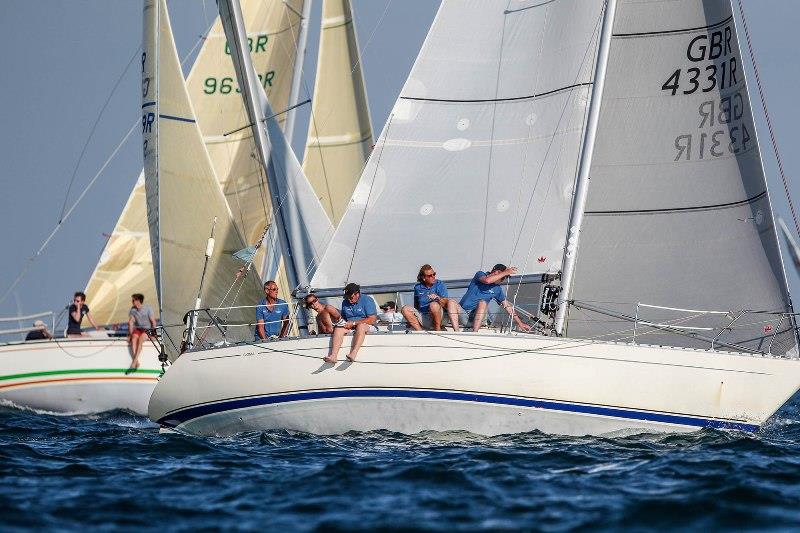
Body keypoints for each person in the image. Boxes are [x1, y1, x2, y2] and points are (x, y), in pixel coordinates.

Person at [457, 264, 532, 332]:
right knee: (452, 303)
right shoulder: (480, 274)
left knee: (483, 302)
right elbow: (487, 280)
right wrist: (505, 272)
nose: (502, 280)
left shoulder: (497, 289)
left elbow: (508, 307)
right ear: (496, 273)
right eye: (502, 278)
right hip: (463, 314)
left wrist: (520, 323)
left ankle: (475, 333)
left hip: (478, 318)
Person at [324, 283, 377, 363]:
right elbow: (344, 319)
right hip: (351, 327)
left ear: (357, 294)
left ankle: (353, 353)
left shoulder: (367, 300)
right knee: (338, 328)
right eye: (347, 297)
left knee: (361, 326)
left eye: (351, 297)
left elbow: (372, 319)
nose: (349, 299)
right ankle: (333, 356)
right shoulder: (345, 302)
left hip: (367, 326)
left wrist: (354, 323)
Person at [401, 264, 460, 331]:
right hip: (425, 316)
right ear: (424, 278)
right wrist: (410, 320)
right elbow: (416, 305)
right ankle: (420, 332)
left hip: (440, 316)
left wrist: (438, 298)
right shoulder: (417, 287)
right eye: (430, 276)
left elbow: (446, 303)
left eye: (434, 274)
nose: (433, 277)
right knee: (405, 309)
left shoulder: (440, 284)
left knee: (433, 305)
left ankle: (438, 330)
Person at [127, 293, 157, 371]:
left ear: (138, 301)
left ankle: (134, 362)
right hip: (138, 329)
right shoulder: (133, 310)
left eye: (134, 300)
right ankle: (136, 362)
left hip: (147, 330)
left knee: (140, 340)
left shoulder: (148, 308)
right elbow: (131, 322)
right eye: (132, 300)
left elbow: (153, 322)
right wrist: (130, 335)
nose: (132, 301)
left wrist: (153, 334)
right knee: (134, 339)